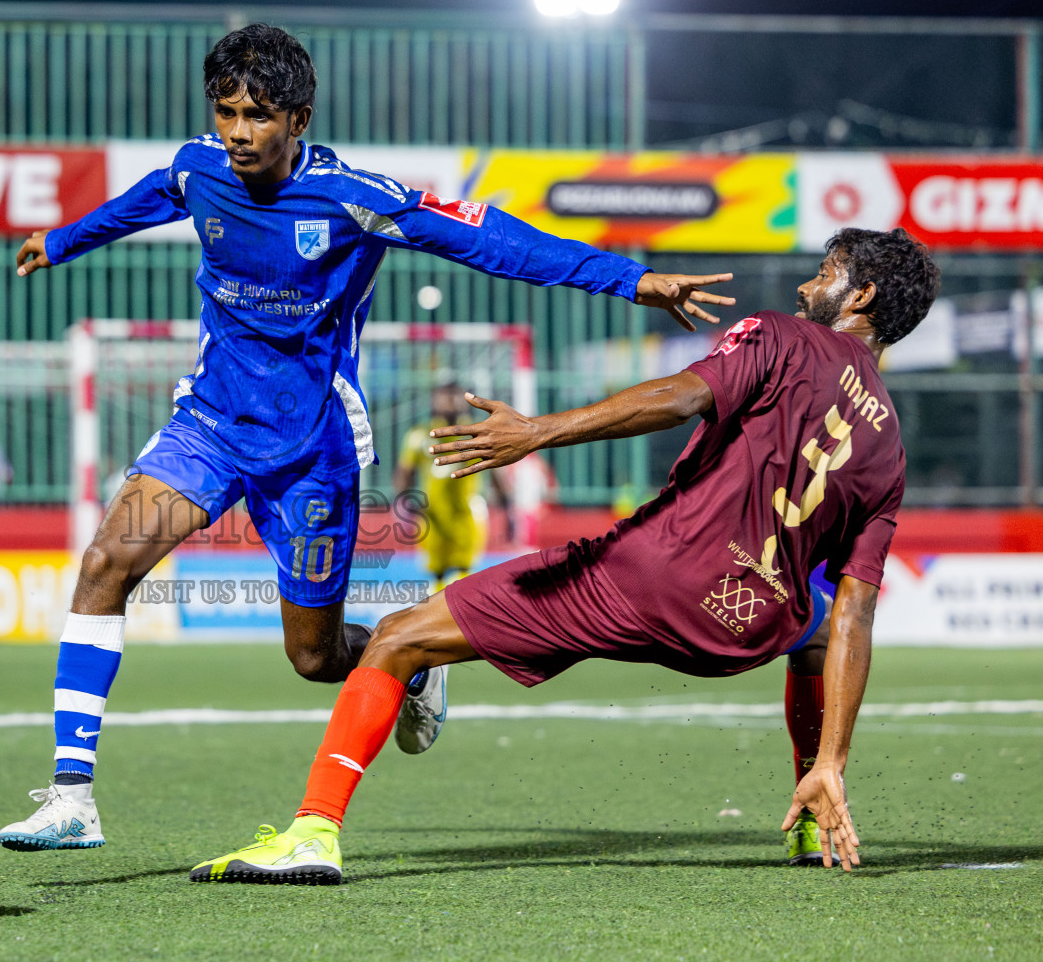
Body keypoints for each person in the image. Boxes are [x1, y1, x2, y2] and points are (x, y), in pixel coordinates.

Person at [0, 23, 735, 852]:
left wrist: (630, 278)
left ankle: (414, 661)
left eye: (258, 115)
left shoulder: (357, 197)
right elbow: (145, 198)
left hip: (314, 450)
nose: (239, 131)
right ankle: (71, 797)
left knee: (313, 659)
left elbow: (492, 239)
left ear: (299, 119)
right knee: (105, 563)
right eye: (227, 111)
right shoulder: (196, 166)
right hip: (209, 423)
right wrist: (60, 241)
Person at [190, 227, 939, 884]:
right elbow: (855, 612)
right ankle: (811, 810)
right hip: (747, 625)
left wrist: (537, 432)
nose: (810, 282)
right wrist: (832, 758)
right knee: (809, 633)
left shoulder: (781, 334)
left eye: (828, 269)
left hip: (648, 579)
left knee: (396, 639)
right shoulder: (890, 450)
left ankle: (314, 831)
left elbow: (681, 397)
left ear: (862, 294)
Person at [394, 377, 515, 591]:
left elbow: (498, 474)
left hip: (468, 515)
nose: (449, 401)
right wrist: (403, 504)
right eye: (444, 396)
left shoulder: (479, 436)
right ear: (433, 400)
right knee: (436, 577)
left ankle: (460, 620)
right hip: (433, 516)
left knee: (464, 576)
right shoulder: (420, 435)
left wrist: (509, 511)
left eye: (454, 396)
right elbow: (405, 473)